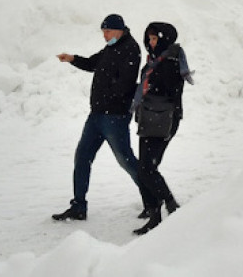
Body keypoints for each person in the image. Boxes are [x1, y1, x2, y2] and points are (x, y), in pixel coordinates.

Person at [52, 14, 143, 223]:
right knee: (82, 157)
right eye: (103, 32)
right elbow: (94, 63)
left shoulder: (130, 48)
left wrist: (109, 98)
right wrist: (73, 59)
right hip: (96, 115)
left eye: (108, 31)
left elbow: (125, 84)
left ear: (119, 30)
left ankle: (152, 197)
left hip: (115, 117)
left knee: (126, 160)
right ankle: (78, 206)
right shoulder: (111, 47)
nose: (105, 35)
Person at [131, 21, 188, 235]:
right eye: (149, 39)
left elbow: (172, 90)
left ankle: (170, 204)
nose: (151, 42)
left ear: (164, 39)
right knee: (145, 168)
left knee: (147, 169)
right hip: (149, 118)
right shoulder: (155, 60)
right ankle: (155, 215)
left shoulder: (171, 59)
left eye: (155, 39)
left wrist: (151, 85)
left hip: (165, 119)